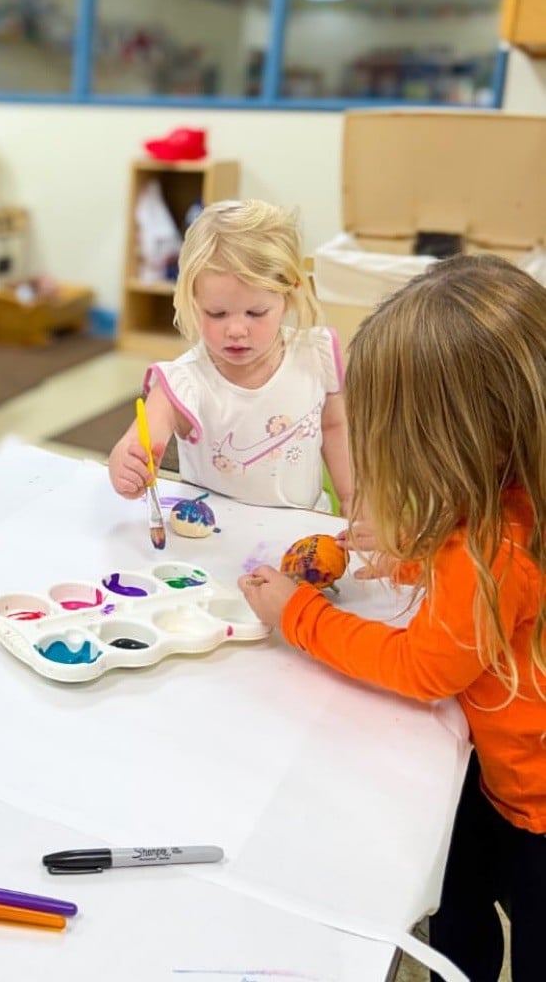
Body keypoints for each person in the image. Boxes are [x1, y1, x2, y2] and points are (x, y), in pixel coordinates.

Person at [238, 256, 546, 982]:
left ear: (464, 441)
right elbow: (474, 571)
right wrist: (413, 551)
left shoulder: (493, 552)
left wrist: (300, 615)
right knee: (452, 904)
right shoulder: (509, 494)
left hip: (531, 812)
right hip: (495, 776)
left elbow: (422, 665)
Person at [108, 199, 351, 514]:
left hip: (304, 534)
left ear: (288, 295)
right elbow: (138, 441)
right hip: (214, 538)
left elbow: (334, 427)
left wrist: (351, 500)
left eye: (255, 312)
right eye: (217, 313)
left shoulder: (314, 355)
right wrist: (126, 463)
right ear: (193, 300)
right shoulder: (184, 381)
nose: (236, 329)